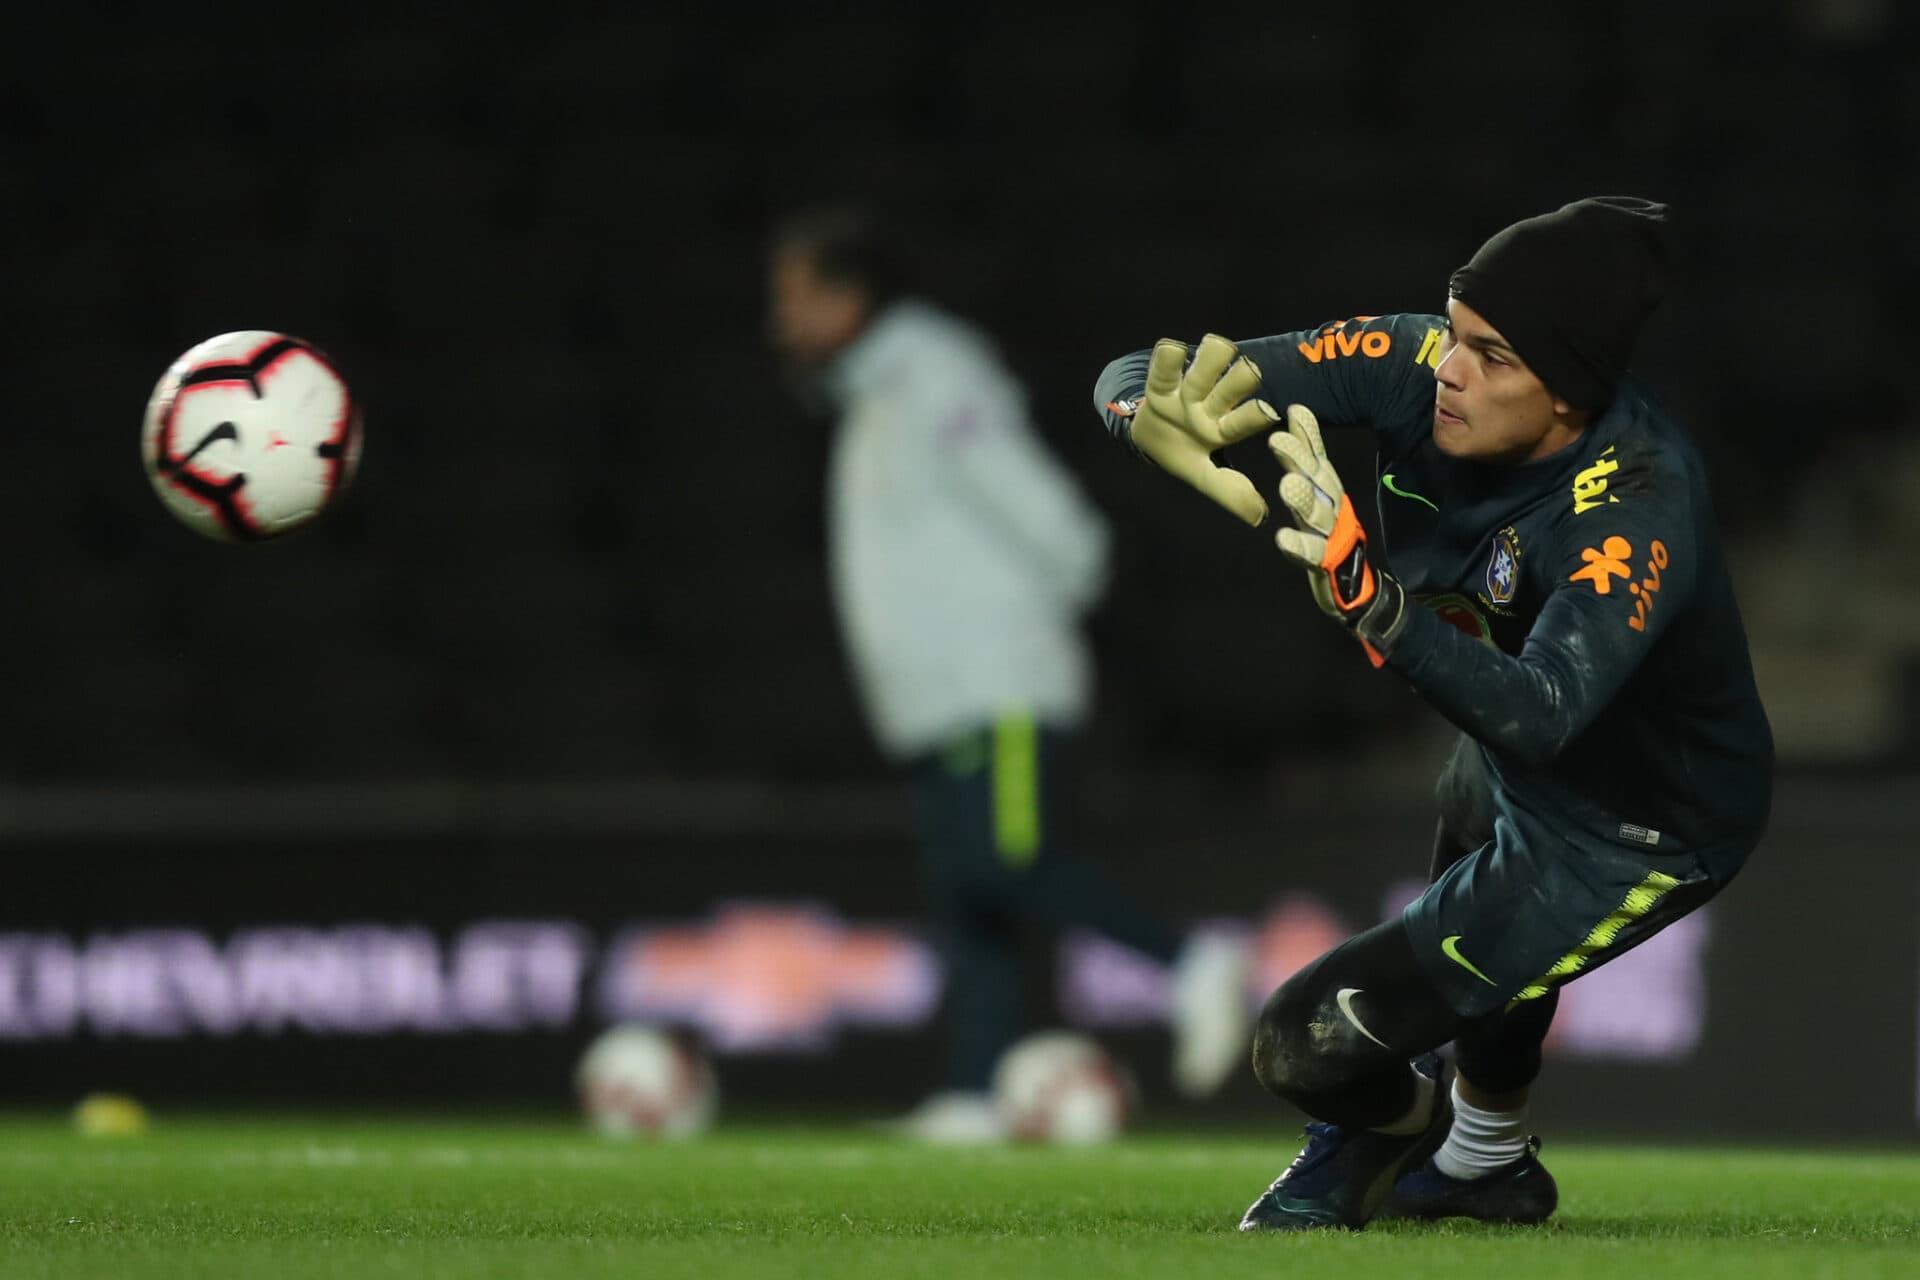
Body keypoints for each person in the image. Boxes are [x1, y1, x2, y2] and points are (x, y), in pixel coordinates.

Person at [1092, 197, 1772, 1227]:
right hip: (1509, 758)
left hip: (1639, 822)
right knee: (1480, 927)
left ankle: (1404, 1128)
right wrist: (1140, 411)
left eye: (1491, 355)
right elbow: (1157, 369)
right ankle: (1485, 1161)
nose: (1449, 368)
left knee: (1301, 1044)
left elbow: (1543, 711)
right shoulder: (1415, 364)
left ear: (1569, 392)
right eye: (1455, 332)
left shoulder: (1637, 501)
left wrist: (1374, 603)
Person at [766, 201, 1252, 1142]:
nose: (779, 320)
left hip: (998, 680)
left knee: (1008, 864)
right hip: (935, 693)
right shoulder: (876, 389)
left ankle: (1193, 961)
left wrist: (1051, 605)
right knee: (964, 888)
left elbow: (1032, 499)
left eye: (793, 296)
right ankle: (976, 1090)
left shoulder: (932, 370)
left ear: (847, 295)